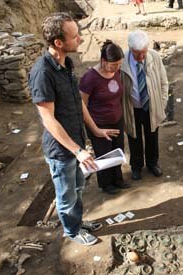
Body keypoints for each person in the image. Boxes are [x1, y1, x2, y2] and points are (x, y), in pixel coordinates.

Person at [29, 13, 119, 245]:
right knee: (67, 196)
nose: (80, 39)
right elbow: (48, 119)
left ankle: (77, 222)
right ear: (59, 43)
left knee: (78, 188)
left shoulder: (66, 64)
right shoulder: (42, 73)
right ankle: (72, 231)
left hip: (76, 143)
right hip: (61, 151)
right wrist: (77, 151)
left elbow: (77, 102)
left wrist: (96, 130)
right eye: (75, 36)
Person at [79, 41, 131, 195]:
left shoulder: (117, 72)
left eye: (119, 64)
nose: (116, 68)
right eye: (113, 65)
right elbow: (82, 104)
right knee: (103, 154)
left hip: (117, 120)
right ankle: (106, 183)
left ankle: (118, 178)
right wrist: (94, 129)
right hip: (99, 123)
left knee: (118, 150)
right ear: (103, 61)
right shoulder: (90, 78)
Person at [120, 30, 169, 180]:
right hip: (131, 107)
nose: (141, 57)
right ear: (130, 48)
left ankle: (152, 163)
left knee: (152, 135)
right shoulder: (122, 60)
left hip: (151, 105)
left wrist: (162, 101)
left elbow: (163, 81)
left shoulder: (154, 56)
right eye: (137, 54)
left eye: (144, 53)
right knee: (134, 137)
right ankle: (136, 166)